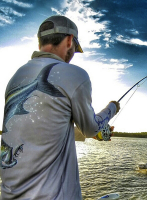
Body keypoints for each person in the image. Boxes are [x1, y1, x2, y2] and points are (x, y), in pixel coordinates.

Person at [0, 15, 120, 200]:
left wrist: (93, 135)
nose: (72, 55)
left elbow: (44, 127)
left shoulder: (16, 78)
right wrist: (112, 108)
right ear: (70, 40)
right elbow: (90, 127)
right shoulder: (74, 74)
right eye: (74, 49)